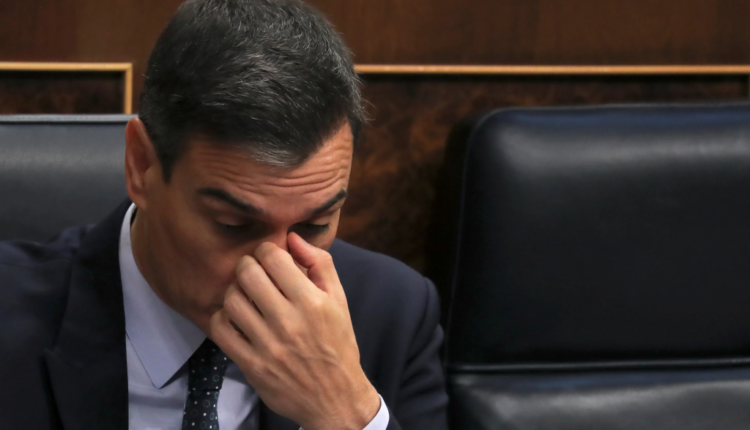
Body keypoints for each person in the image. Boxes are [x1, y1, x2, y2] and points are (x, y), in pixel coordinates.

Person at [0, 0, 448, 429]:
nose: (274, 273)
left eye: (314, 226)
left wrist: (347, 415)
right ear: (141, 166)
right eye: (234, 226)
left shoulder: (393, 312)